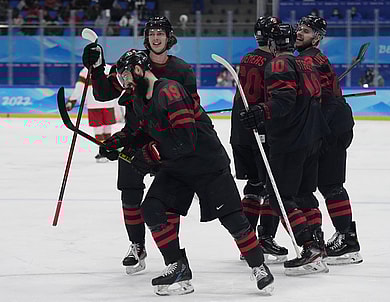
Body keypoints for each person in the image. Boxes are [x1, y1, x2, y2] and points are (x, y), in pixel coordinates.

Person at [105, 49, 274, 295]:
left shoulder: (169, 91)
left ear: (140, 71)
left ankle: (259, 266)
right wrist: (118, 141)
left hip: (206, 164)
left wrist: (148, 156)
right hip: (176, 167)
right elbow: (140, 131)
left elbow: (186, 140)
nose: (125, 84)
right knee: (152, 208)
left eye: (126, 77)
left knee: (232, 220)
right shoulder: (140, 99)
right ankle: (178, 266)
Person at [81, 16, 200, 274]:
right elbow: (103, 93)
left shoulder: (182, 70)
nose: (156, 37)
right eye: (152, 33)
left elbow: (193, 108)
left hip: (168, 143)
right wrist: (98, 68)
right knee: (130, 193)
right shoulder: (131, 62)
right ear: (146, 37)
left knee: (169, 200)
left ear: (169, 37)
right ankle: (137, 245)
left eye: (161, 33)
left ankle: (172, 253)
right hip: (134, 138)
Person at [239, 19, 330, 275]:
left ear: (272, 43)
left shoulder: (279, 63)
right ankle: (318, 245)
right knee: (304, 195)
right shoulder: (306, 62)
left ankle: (309, 247)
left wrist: (260, 110)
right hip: (313, 138)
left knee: (280, 196)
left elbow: (284, 101)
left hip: (291, 141)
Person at [295, 15, 363, 265]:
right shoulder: (312, 58)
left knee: (330, 183)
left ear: (318, 37)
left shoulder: (307, 59)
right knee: (328, 183)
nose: (300, 33)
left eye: (306, 31)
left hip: (331, 125)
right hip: (334, 121)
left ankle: (347, 240)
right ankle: (346, 238)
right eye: (299, 29)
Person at [230, 16, 288, 264]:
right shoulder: (274, 62)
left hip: (239, 131)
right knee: (270, 186)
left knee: (253, 186)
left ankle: (247, 243)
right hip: (260, 130)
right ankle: (265, 239)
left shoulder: (246, 59)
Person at [65, 64, 122, 163]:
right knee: (107, 129)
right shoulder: (109, 68)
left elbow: (79, 88)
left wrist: (72, 101)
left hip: (94, 104)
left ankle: (103, 152)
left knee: (98, 129)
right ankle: (108, 150)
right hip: (109, 103)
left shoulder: (86, 70)